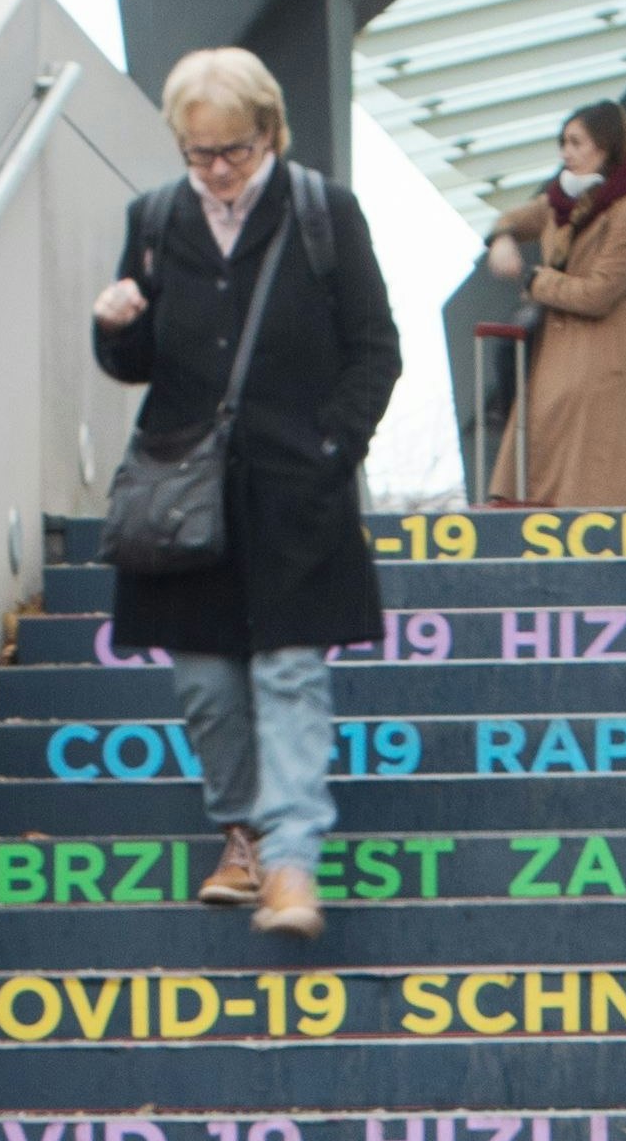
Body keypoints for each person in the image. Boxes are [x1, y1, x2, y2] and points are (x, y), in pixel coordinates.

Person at [92, 48, 402, 939]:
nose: (217, 170)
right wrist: (114, 327)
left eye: (232, 150)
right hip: (188, 490)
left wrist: (332, 445)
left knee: (292, 671)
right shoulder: (154, 219)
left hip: (295, 489)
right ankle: (241, 833)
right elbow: (137, 364)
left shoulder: (320, 212)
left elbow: (375, 346)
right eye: (200, 154)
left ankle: (292, 861)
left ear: (268, 132)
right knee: (207, 685)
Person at [484, 101, 626, 505]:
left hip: (602, 368)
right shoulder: (558, 203)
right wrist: (502, 238)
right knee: (540, 484)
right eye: (564, 142)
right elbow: (511, 218)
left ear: (606, 147)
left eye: (577, 143)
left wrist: (535, 281)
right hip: (557, 364)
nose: (566, 153)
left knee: (587, 489)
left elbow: (598, 293)